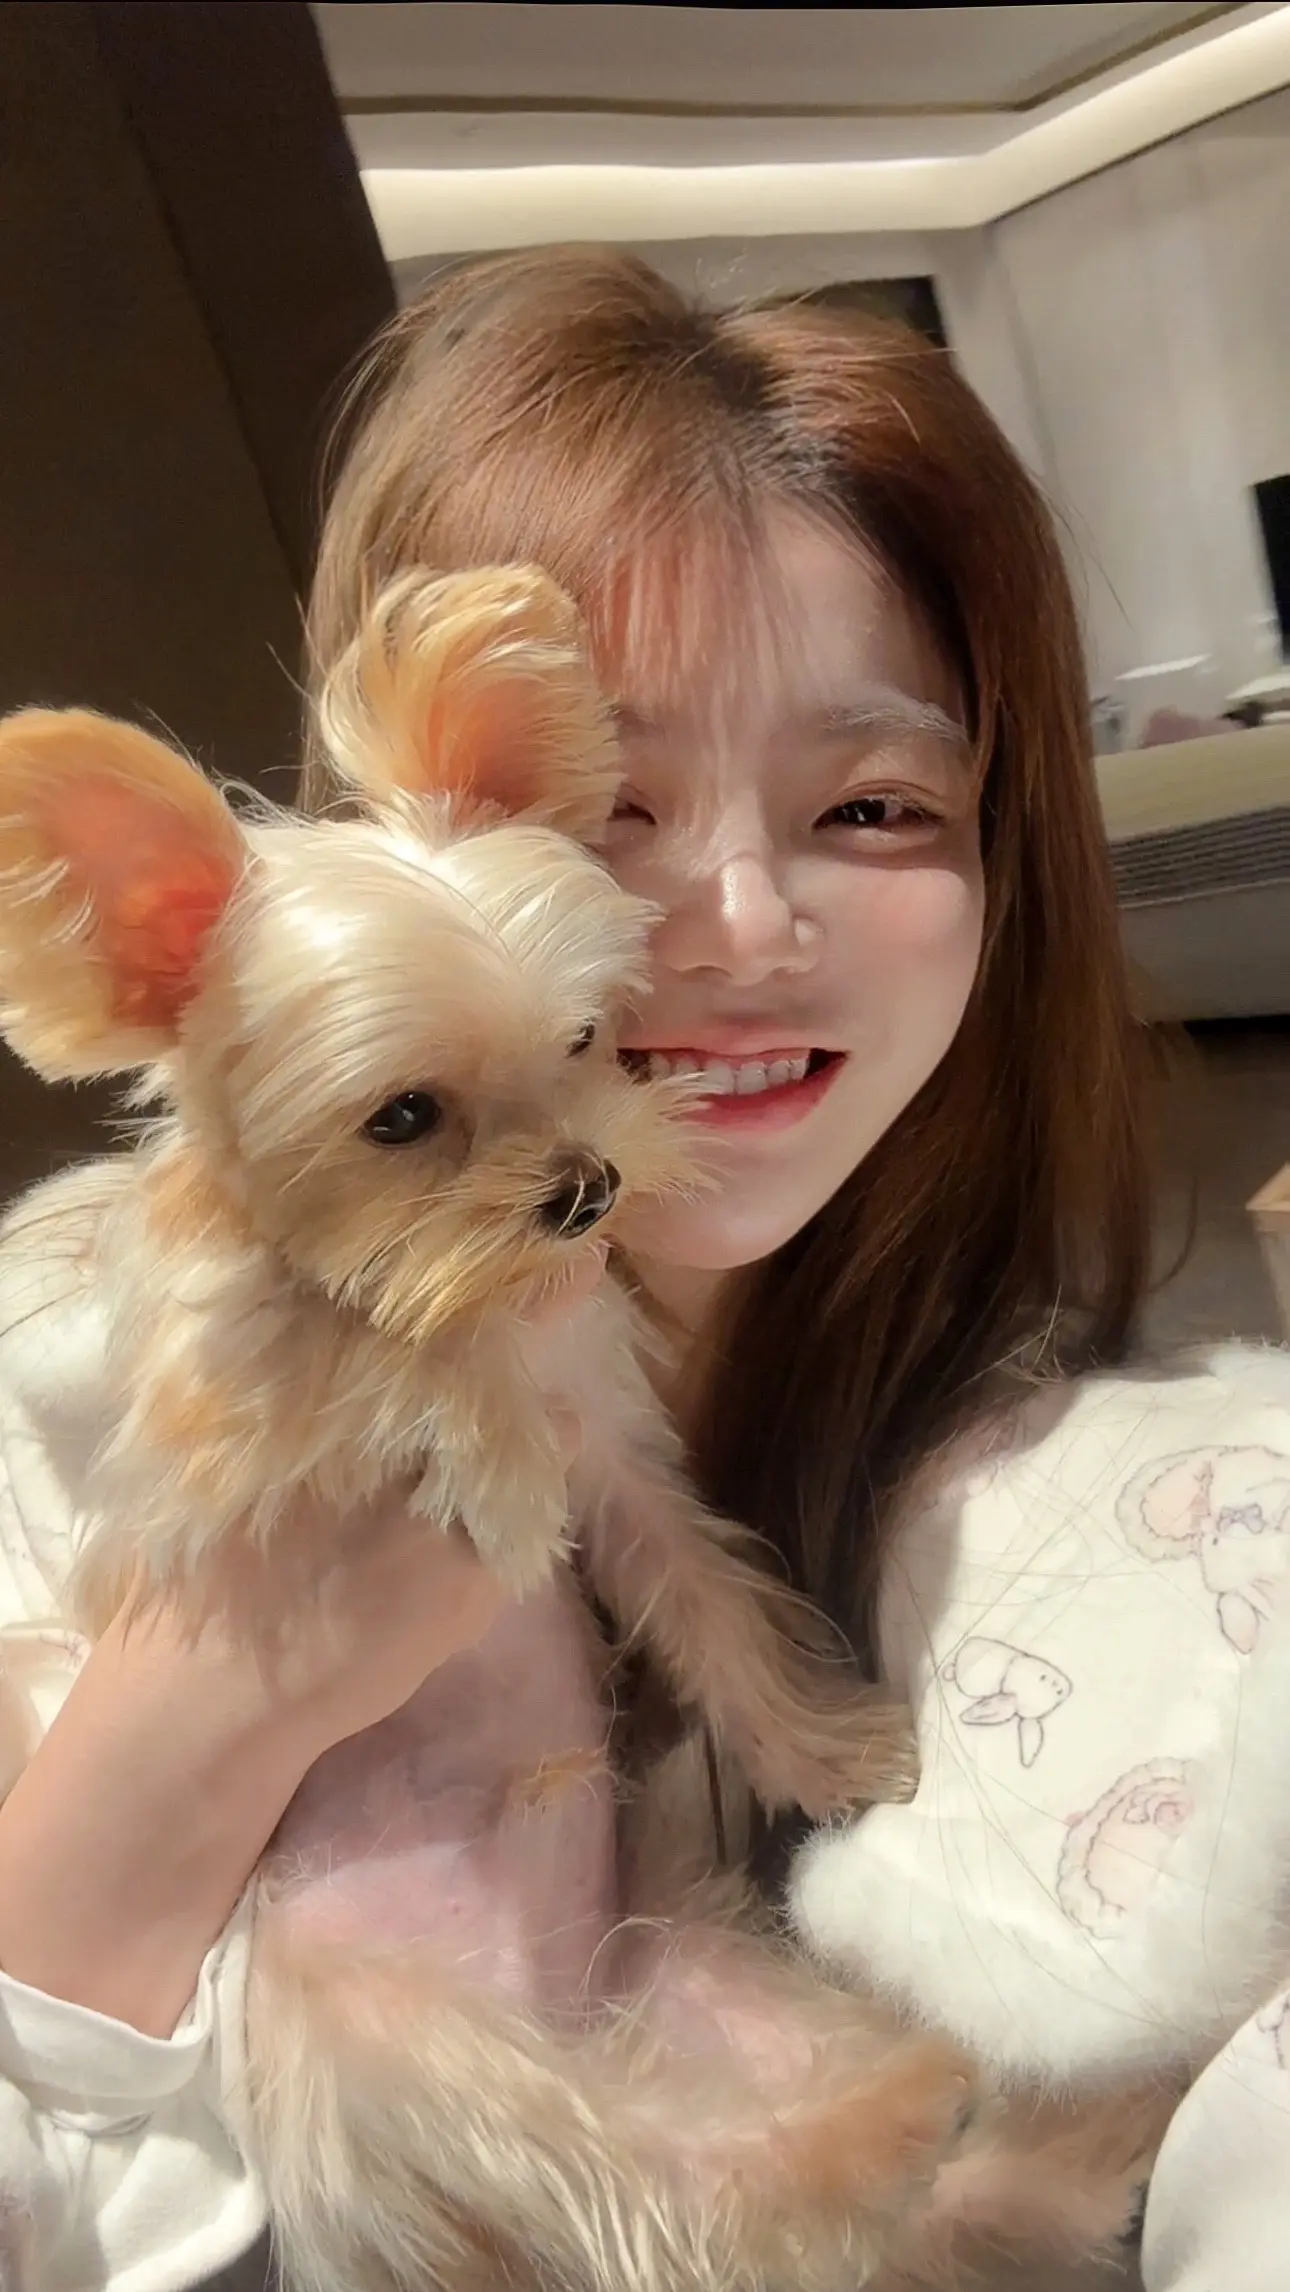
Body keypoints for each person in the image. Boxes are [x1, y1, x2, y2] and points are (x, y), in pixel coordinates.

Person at [0, 246, 1286, 2292]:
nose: (741, 923)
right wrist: (201, 1725)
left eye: (872, 802)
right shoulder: (59, 1376)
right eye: (604, 799)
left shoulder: (1094, 1469)